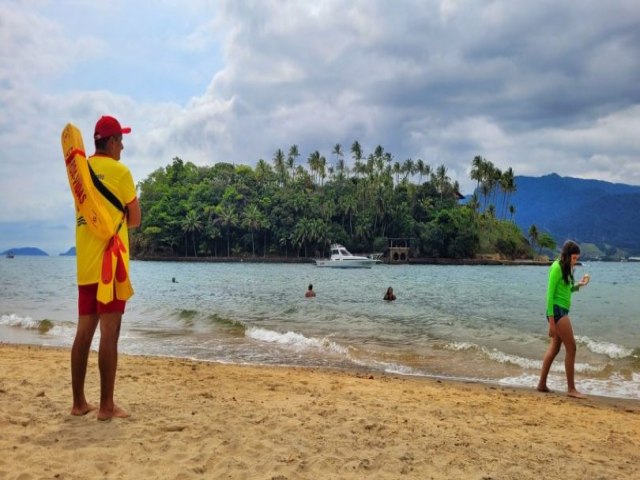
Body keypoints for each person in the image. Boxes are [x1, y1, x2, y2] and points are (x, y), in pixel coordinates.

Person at [70, 115, 141, 420]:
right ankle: (106, 406)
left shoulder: (80, 174)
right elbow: (135, 219)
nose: (122, 146)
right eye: (120, 141)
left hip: (86, 263)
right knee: (109, 334)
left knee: (84, 332)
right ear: (111, 142)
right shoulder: (121, 172)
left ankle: (78, 403)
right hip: (111, 267)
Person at [537, 240, 590, 398]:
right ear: (566, 256)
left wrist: (580, 284)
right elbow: (549, 296)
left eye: (577, 258)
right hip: (557, 312)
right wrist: (552, 323)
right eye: (574, 258)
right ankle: (571, 389)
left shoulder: (567, 269)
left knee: (555, 349)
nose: (575, 261)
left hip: (562, 310)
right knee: (572, 348)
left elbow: (567, 290)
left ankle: (541, 384)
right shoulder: (556, 268)